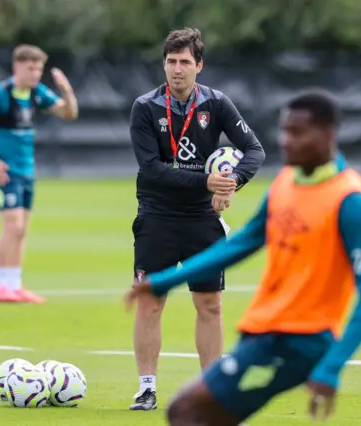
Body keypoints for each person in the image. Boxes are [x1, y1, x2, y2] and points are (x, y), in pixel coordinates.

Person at [124, 89, 361, 425]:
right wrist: (164, 281)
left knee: (195, 412)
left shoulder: (351, 201)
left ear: (327, 135)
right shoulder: (284, 184)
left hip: (306, 344)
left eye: (297, 133)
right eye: (283, 131)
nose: (285, 141)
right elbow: (241, 244)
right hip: (263, 331)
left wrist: (332, 366)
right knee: (185, 411)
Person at [127, 27, 266, 411]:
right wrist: (206, 180)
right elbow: (152, 169)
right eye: (171, 61)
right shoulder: (145, 107)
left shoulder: (217, 104)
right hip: (156, 215)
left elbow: (254, 151)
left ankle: (210, 389)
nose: (176, 69)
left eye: (185, 62)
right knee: (151, 302)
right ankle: (146, 387)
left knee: (210, 304)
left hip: (202, 220)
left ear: (199, 66)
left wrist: (231, 184)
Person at [0, 44, 78, 304]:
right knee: (12, 226)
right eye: (31, 68)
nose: (36, 73)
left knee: (22, 229)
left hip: (27, 171)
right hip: (5, 171)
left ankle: (14, 285)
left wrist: (67, 90)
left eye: (39, 68)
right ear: (17, 67)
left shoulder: (37, 93)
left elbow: (69, 113)